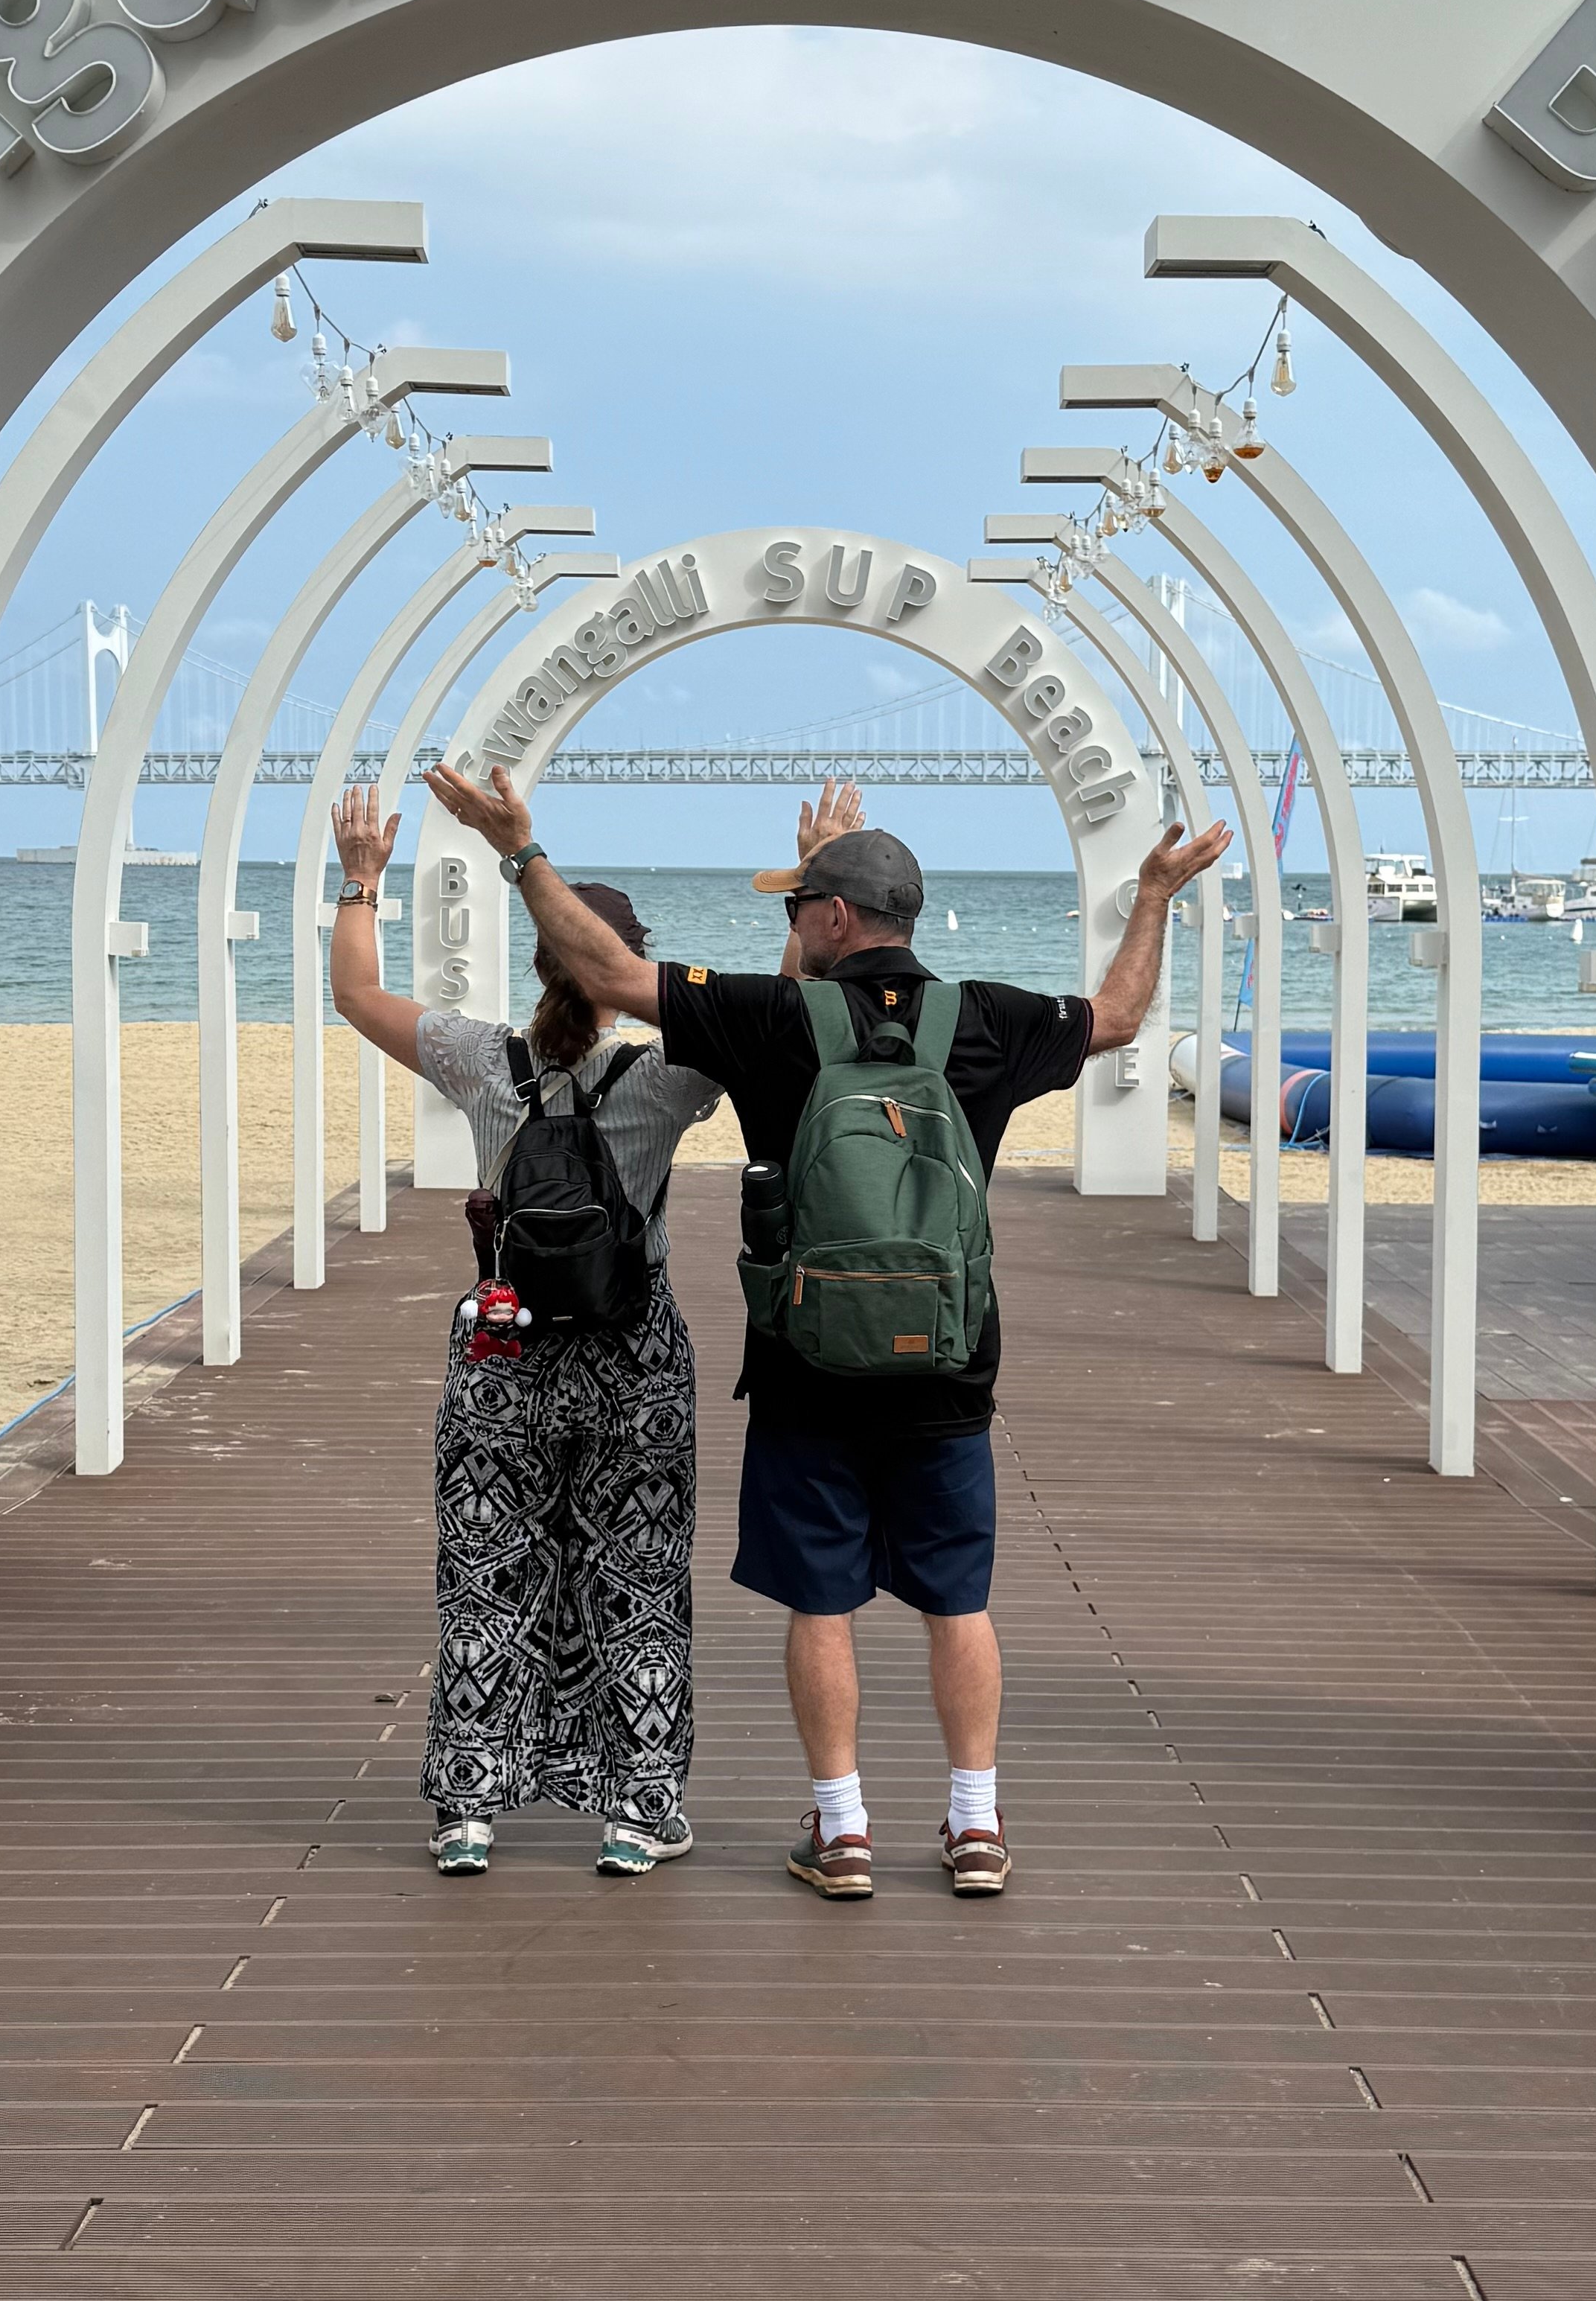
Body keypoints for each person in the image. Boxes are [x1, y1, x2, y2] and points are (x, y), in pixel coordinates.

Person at [418, 762, 1230, 1903]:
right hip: (947, 1364)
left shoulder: (773, 1020)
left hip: (806, 1362)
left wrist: (518, 851)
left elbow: (604, 971)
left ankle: (842, 1830)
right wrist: (1152, 896)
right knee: (960, 1599)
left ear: (835, 918)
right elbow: (1126, 1014)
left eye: (800, 908)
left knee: (824, 1602)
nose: (791, 928)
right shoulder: (990, 1022)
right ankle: (975, 1822)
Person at [328, 785, 721, 1877]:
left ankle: (467, 1810)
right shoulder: (666, 1076)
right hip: (634, 1359)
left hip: (502, 1353)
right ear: (619, 968)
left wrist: (362, 878)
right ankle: (638, 1814)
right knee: (637, 1578)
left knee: (485, 1574)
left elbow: (356, 993)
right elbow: (769, 1020)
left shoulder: (480, 1061)